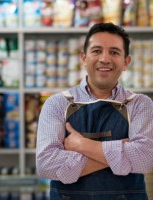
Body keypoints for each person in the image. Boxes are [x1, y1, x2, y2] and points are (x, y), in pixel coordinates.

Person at [36, 22, 153, 200]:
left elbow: (145, 160)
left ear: (126, 62)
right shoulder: (57, 104)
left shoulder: (140, 104)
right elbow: (46, 165)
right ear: (84, 58)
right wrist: (123, 152)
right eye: (97, 51)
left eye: (114, 52)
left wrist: (83, 146)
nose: (105, 59)